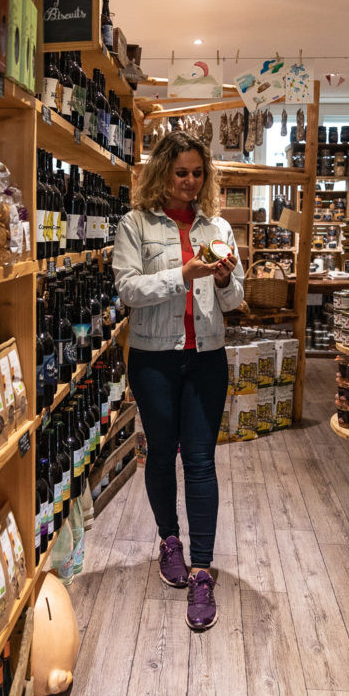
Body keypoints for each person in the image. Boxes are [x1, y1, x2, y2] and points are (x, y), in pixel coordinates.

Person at [112, 131, 244, 630]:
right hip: (154, 360)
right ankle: (170, 540)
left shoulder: (219, 227)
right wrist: (182, 275)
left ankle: (203, 570)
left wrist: (227, 278)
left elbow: (234, 301)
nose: (189, 182)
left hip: (207, 358)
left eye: (197, 173)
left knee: (202, 460)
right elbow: (127, 288)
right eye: (180, 172)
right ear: (162, 172)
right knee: (161, 452)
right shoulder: (135, 225)